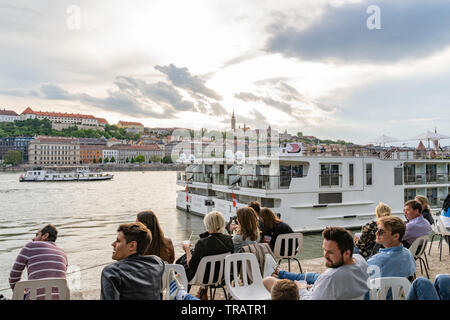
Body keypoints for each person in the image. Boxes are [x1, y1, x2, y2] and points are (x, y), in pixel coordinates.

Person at [262, 226, 369, 300]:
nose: (325, 255)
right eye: (324, 250)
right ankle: (281, 272)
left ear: (347, 253)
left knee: (268, 281)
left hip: (307, 293)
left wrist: (302, 290)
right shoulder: (359, 260)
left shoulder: (330, 278)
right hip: (322, 289)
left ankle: (278, 272)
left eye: (330, 252)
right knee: (306, 278)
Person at [100, 222, 165, 300]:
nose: (113, 244)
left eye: (118, 241)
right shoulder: (157, 262)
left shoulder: (112, 271)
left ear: (132, 245)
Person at [176, 210, 233, 295]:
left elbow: (191, 265)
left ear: (207, 224)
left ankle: (183, 294)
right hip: (220, 277)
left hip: (202, 278)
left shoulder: (202, 243)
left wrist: (187, 249)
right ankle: (202, 292)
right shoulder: (229, 240)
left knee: (181, 264)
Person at [9, 225, 68, 299]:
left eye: (37, 235)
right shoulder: (63, 253)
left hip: (34, 297)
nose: (33, 238)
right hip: (60, 297)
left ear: (45, 236)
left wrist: (20, 294)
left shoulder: (30, 246)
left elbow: (13, 277)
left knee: (25, 290)